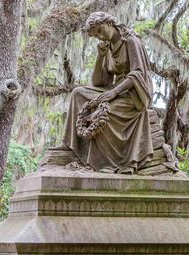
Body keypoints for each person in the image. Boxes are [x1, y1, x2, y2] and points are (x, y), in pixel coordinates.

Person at [62, 12, 155, 174]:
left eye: (100, 30)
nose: (99, 36)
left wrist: (113, 93)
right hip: (114, 89)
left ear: (109, 23)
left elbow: (138, 74)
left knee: (102, 111)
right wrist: (101, 56)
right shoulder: (108, 46)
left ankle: (105, 161)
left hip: (133, 94)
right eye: (96, 35)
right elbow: (99, 83)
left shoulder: (130, 40)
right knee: (78, 93)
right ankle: (70, 145)